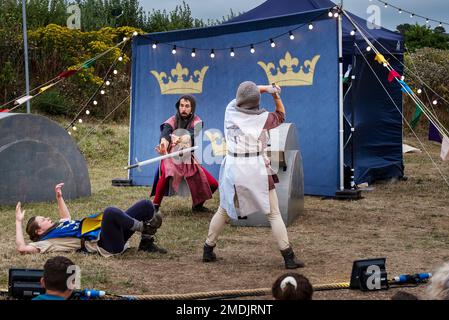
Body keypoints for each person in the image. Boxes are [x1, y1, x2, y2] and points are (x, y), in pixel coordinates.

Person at [202, 81, 305, 269]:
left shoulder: (230, 109)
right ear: (256, 100)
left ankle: (208, 249)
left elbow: (246, 94)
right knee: (273, 214)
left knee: (224, 210)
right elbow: (281, 114)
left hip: (233, 166)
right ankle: (288, 257)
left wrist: (265, 88)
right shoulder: (263, 118)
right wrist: (275, 95)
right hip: (255, 167)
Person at [15, 183, 167, 256]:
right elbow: (22, 248)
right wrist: (18, 221)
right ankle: (144, 228)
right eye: (43, 220)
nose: (48, 218)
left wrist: (59, 197)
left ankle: (146, 242)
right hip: (106, 245)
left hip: (112, 235)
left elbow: (66, 218)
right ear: (39, 230)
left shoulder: (59, 226)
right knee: (110, 212)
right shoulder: (46, 242)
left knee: (146, 205)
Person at [150, 95, 218, 212]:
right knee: (167, 172)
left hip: (188, 160)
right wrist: (163, 145)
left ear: (192, 108)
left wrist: (180, 138)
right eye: (181, 106)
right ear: (178, 107)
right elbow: (165, 134)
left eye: (187, 106)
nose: (184, 109)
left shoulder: (197, 122)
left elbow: (192, 133)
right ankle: (154, 206)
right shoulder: (171, 121)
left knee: (213, 184)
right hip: (171, 157)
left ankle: (197, 205)